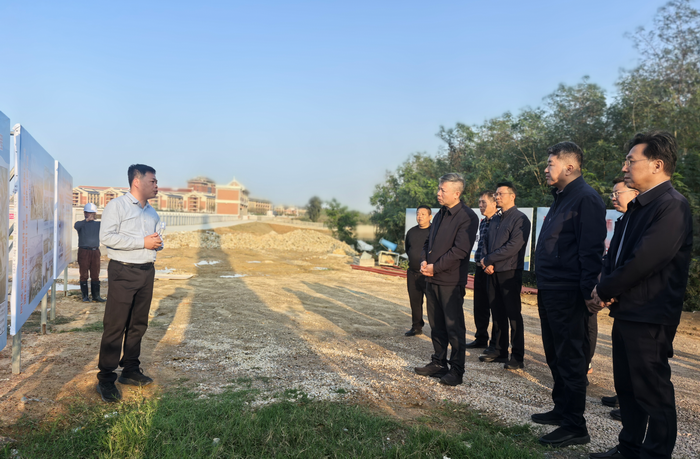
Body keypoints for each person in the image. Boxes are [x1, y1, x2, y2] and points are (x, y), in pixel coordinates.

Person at [590, 132, 692, 459]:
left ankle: (655, 454)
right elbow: (616, 256)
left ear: (657, 165)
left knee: (652, 390)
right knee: (628, 388)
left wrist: (606, 290)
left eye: (631, 161)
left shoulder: (672, 206)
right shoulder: (638, 207)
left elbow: (645, 260)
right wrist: (606, 287)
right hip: (628, 310)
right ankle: (629, 448)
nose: (624, 167)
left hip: (650, 313)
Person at [532, 142, 606, 448]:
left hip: (568, 291)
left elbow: (591, 248)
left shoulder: (586, 198)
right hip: (550, 288)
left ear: (570, 167)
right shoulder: (561, 197)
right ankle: (561, 408)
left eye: (550, 163)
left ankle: (575, 426)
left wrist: (589, 289)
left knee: (571, 358)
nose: (545, 169)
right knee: (554, 354)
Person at [96, 164, 163, 403]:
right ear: (137, 181)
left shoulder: (152, 213)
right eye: (152, 181)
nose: (156, 186)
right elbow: (106, 237)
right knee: (115, 325)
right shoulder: (117, 206)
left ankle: (131, 369)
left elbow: (153, 241)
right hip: (123, 271)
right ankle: (106, 378)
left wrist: (156, 243)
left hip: (146, 271)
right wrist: (142, 242)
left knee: (138, 324)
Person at [414, 173, 478, 386]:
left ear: (456, 193)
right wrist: (424, 260)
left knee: (454, 327)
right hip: (432, 279)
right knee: (436, 325)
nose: (438, 193)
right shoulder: (440, 214)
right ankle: (438, 362)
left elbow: (460, 250)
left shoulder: (467, 217)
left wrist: (436, 267)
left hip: (450, 281)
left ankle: (457, 370)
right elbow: (428, 243)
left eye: (443, 190)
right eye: (439, 189)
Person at [598, 177, 639, 423]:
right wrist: (605, 286)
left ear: (635, 193)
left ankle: (634, 404)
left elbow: (636, 263)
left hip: (636, 301)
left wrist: (609, 289)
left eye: (618, 193)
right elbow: (611, 258)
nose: (613, 198)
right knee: (623, 359)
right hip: (618, 298)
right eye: (612, 193)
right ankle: (625, 397)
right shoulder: (623, 220)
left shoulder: (643, 219)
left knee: (636, 359)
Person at [478, 181, 531, 370]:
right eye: (496, 194)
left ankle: (517, 356)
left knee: (513, 314)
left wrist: (490, 259)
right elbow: (485, 242)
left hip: (509, 272)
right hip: (492, 271)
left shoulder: (521, 219)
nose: (497, 197)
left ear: (512, 196)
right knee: (497, 312)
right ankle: (500, 351)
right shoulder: (496, 219)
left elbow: (513, 246)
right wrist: (487, 262)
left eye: (500, 194)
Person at [466, 190, 497, 349]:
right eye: (479, 202)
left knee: (495, 308)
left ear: (494, 203)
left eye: (483, 202)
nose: (480, 205)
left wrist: (492, 262)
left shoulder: (499, 221)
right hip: (479, 268)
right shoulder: (483, 222)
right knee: (479, 306)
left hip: (492, 270)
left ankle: (496, 344)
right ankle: (481, 338)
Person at [404, 205, 432, 336]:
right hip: (412, 272)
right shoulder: (411, 232)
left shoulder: (434, 232)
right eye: (418, 214)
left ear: (430, 217)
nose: (419, 217)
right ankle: (416, 327)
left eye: (423, 214)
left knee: (432, 303)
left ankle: (436, 329)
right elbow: (408, 249)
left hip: (428, 274)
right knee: (415, 301)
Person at [74, 203, 106, 303]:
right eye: (89, 213)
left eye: (93, 213)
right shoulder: (80, 224)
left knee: (95, 274)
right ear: (84, 213)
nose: (91, 215)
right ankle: (85, 297)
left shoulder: (98, 224)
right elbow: (76, 226)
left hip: (95, 251)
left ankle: (96, 296)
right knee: (84, 274)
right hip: (84, 251)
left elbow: (108, 226)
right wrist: (86, 220)